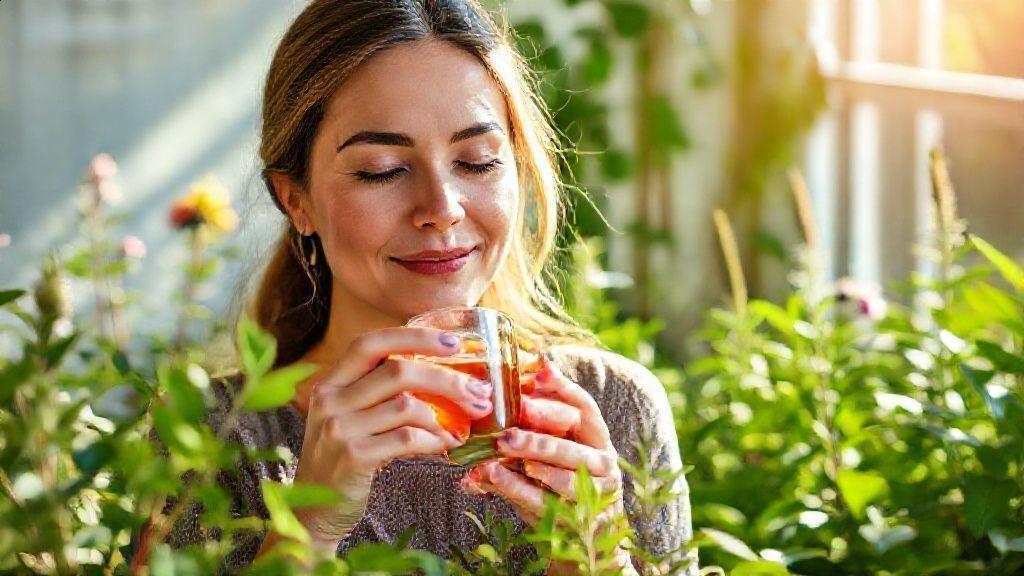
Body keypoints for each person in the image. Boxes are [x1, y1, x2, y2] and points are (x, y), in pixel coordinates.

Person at [166, 0, 697, 573]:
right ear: (296, 200)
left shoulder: (613, 411)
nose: (441, 209)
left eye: (478, 161)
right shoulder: (214, 432)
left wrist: (595, 560)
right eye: (382, 169)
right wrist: (308, 528)